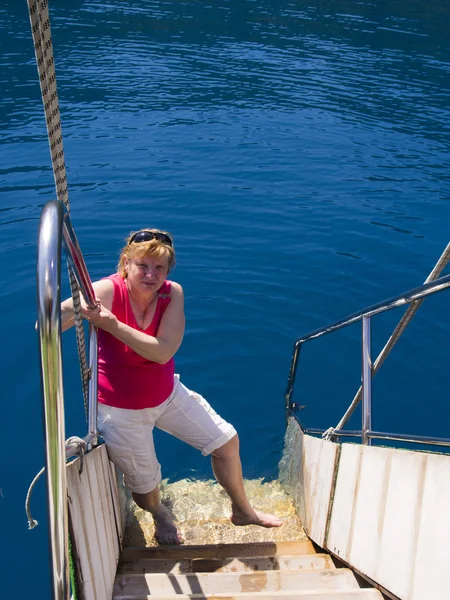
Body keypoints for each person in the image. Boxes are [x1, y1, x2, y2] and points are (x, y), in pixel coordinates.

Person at [61, 228, 282, 544]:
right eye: (143, 266)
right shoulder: (107, 291)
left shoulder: (171, 293)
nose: (151, 275)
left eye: (159, 268)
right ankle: (159, 515)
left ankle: (243, 510)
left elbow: (163, 350)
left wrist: (110, 324)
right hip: (121, 410)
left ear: (169, 269)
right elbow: (51, 321)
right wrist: (72, 312)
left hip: (165, 394)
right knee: (147, 489)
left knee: (226, 441)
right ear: (127, 263)